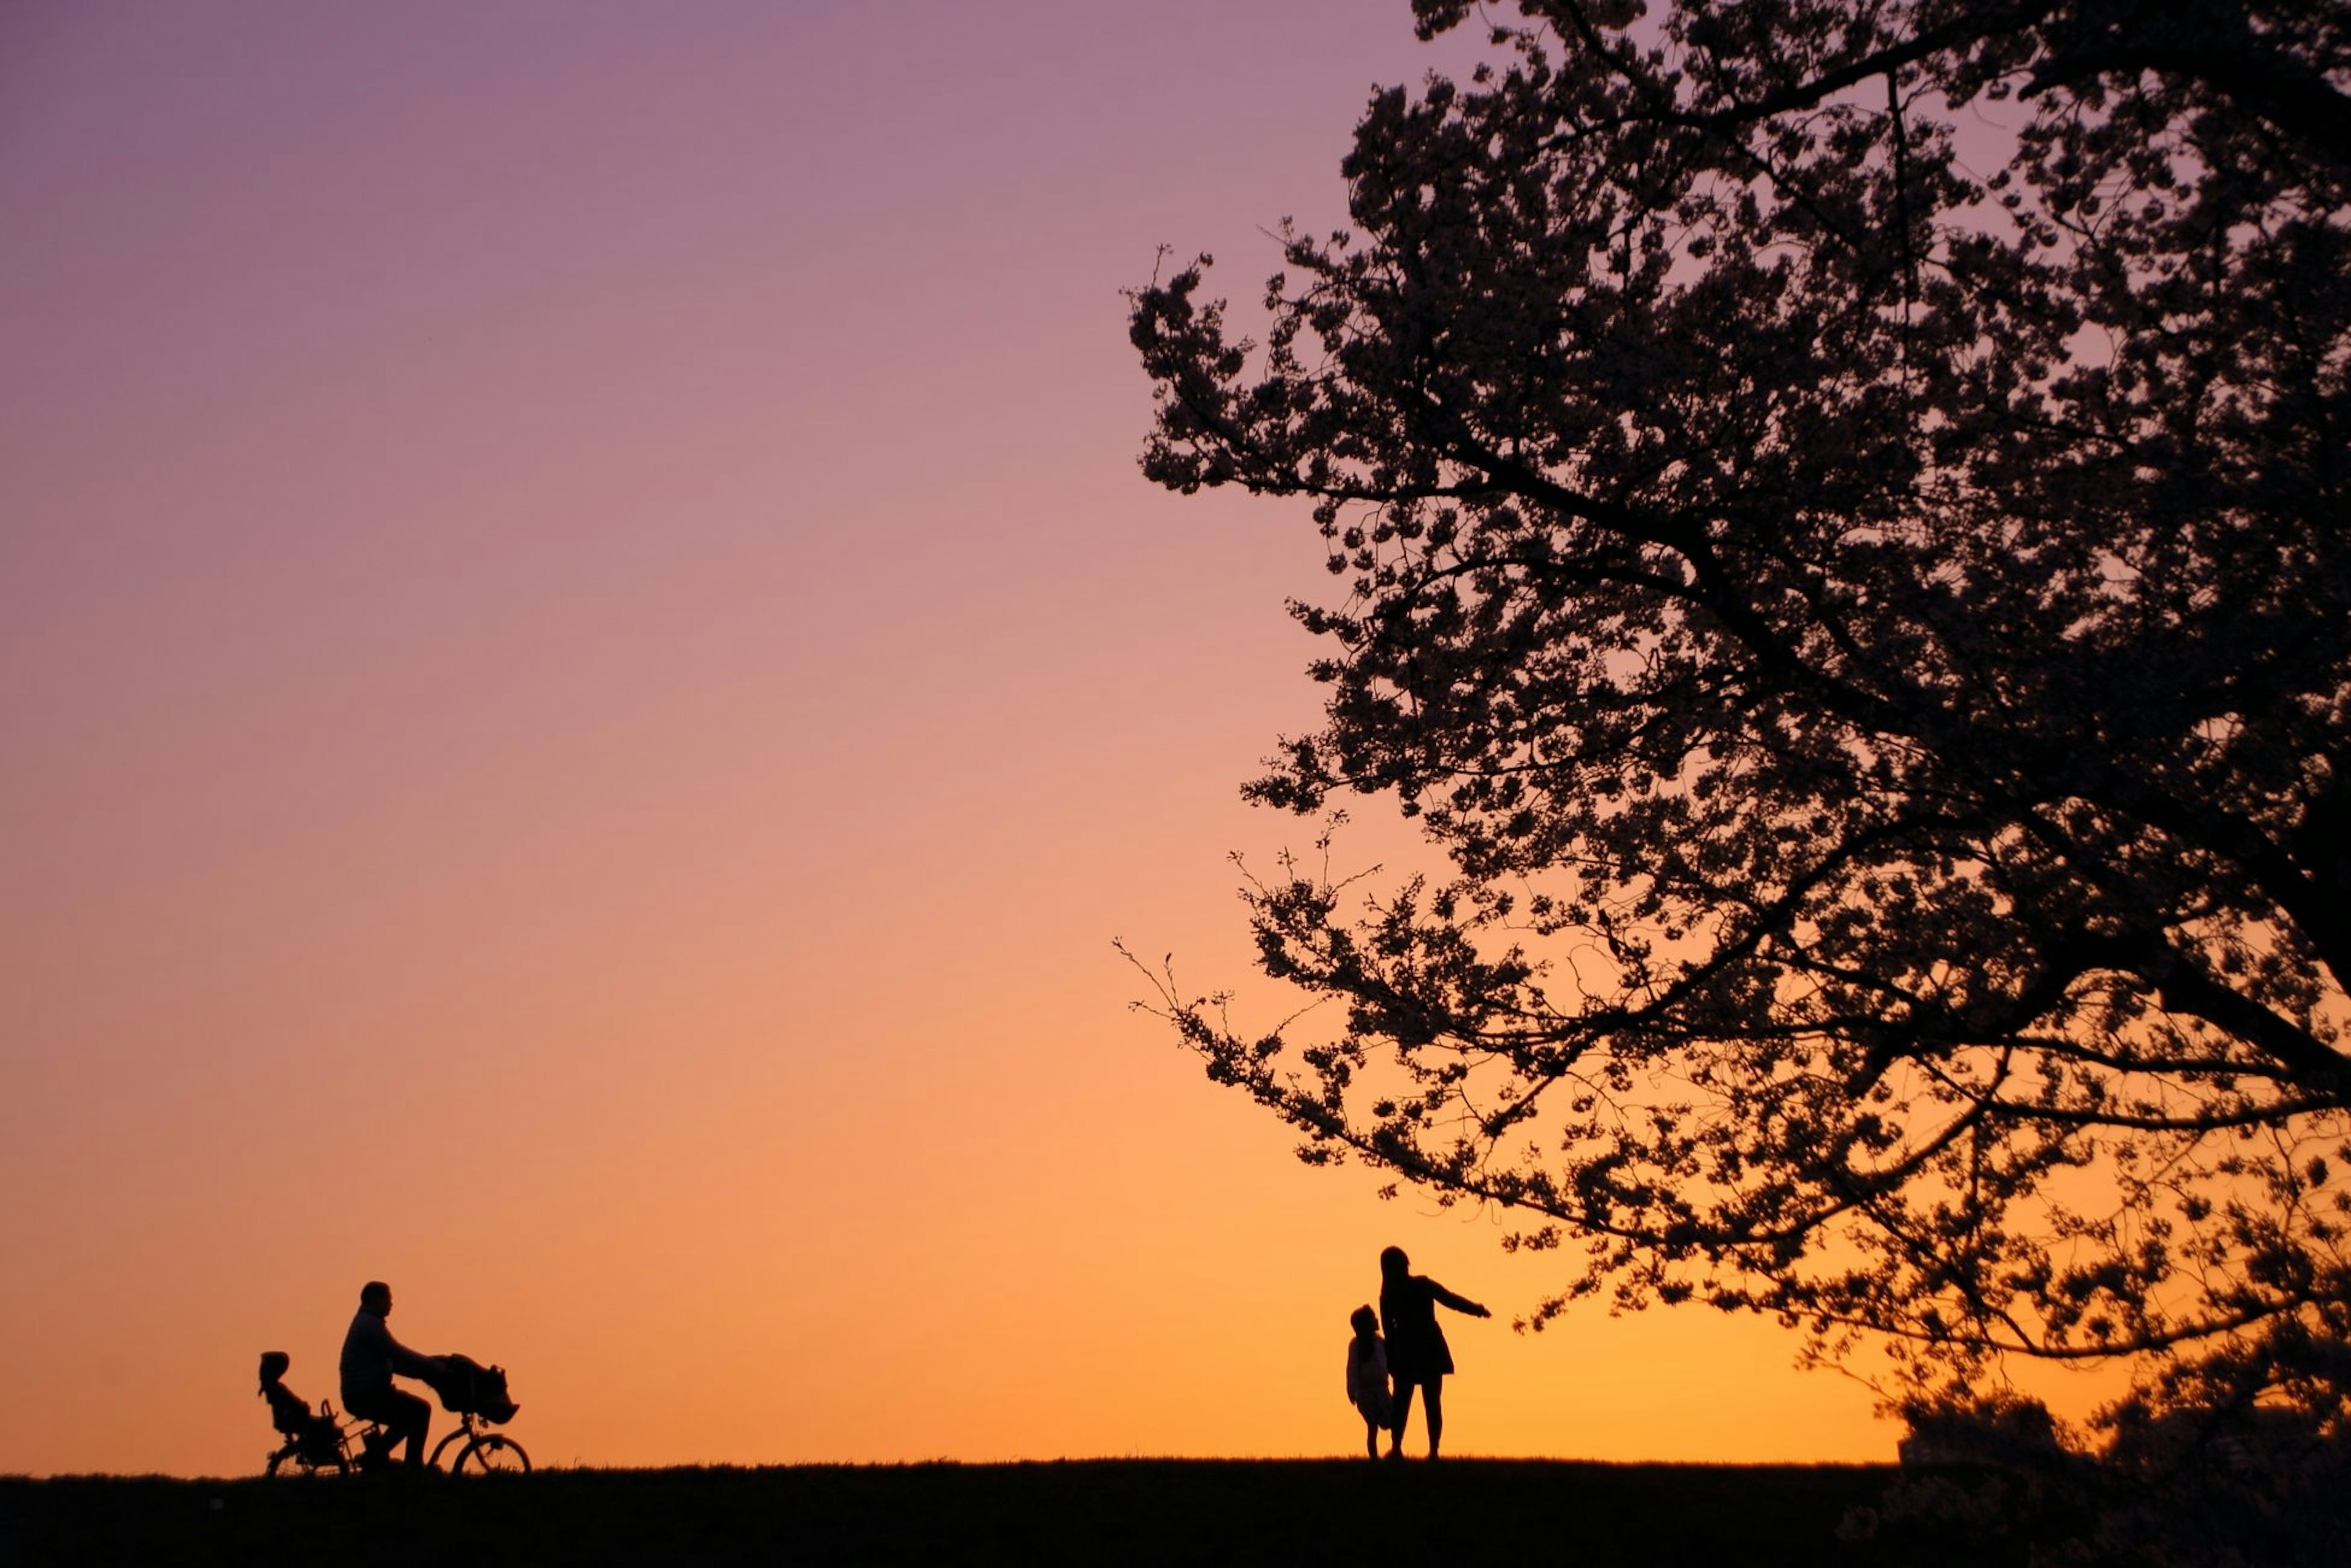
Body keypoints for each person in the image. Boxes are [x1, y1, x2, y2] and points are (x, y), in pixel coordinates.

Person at [1378, 1245, 1489, 1459]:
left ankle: (1397, 1447)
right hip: (1430, 1346)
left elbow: (1388, 1330)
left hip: (1405, 1349)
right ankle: (1434, 1450)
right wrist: (1477, 1310)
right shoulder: (1422, 1285)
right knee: (1432, 1401)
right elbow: (1451, 1300)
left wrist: (1391, 1359)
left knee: (1402, 1401)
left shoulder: (1388, 1294)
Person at [339, 1281, 445, 1469]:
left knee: (408, 1416)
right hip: (366, 1394)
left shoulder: (368, 1323)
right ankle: (412, 1466)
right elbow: (396, 1352)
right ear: (375, 1299)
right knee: (420, 1411)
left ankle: (375, 1456)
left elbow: (393, 1363)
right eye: (388, 1298)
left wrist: (421, 1372)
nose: (391, 1303)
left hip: (365, 1392)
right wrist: (430, 1364)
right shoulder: (369, 1325)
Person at [1343, 1305, 1392, 1460]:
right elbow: (1351, 1368)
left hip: (1382, 1389)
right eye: (1373, 1318)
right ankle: (1374, 1457)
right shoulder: (1356, 1345)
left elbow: (1387, 1362)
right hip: (1366, 1392)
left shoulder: (1380, 1342)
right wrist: (1352, 1391)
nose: (1377, 1320)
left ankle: (1395, 1450)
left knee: (1391, 1421)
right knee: (1372, 1427)